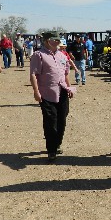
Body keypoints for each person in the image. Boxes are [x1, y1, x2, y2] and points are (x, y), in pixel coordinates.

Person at [30, 32, 76, 162]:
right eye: (54, 40)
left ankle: (57, 143)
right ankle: (51, 150)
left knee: (62, 118)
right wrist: (36, 91)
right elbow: (33, 74)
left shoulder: (62, 55)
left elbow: (66, 73)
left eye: (58, 40)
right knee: (51, 121)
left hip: (62, 91)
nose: (57, 42)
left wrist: (69, 87)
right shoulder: (38, 55)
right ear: (46, 41)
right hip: (47, 93)